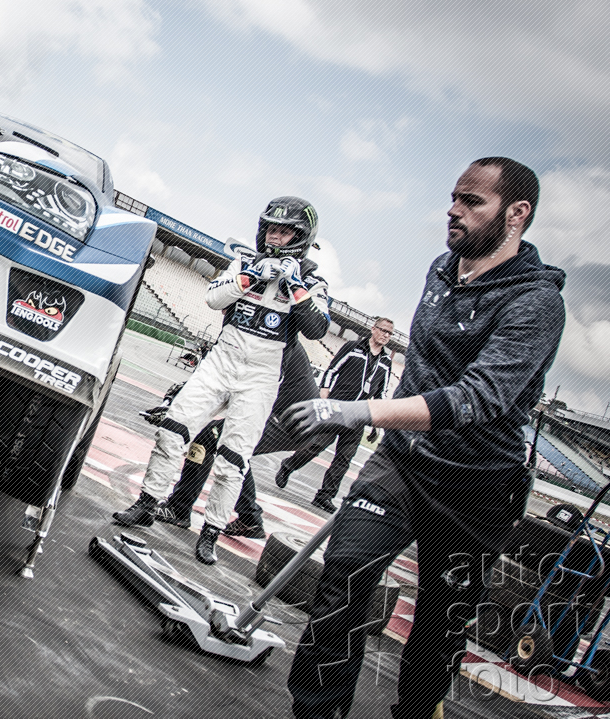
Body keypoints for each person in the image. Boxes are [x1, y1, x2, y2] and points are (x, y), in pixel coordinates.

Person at [283, 158, 565, 719]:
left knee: (440, 624)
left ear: (516, 214)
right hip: (401, 464)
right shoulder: (441, 269)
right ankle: (316, 710)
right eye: (453, 197)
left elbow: (476, 399)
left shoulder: (537, 304)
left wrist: (356, 411)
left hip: (477, 485)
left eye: (471, 201)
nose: (453, 210)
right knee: (343, 576)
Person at [113, 197, 330, 565]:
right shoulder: (245, 261)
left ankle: (211, 531)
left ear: (301, 237)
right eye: (271, 229)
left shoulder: (312, 278)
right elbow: (214, 298)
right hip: (222, 359)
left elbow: (317, 327)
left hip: (261, 375)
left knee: (234, 457)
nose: (274, 237)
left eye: (284, 232)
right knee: (174, 427)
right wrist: (252, 276)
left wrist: (295, 285)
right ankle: (147, 503)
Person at [149, 339, 321, 540]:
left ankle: (179, 508)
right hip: (299, 419)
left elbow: (231, 383)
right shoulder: (271, 336)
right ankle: (249, 517)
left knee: (209, 439)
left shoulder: (265, 340)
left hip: (290, 418)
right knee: (234, 451)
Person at [275, 318, 396, 512]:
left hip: (360, 415)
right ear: (373, 329)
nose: (386, 335)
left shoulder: (386, 362)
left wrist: (377, 422)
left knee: (344, 458)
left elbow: (381, 393)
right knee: (316, 445)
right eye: (383, 330)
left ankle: (325, 496)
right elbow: (332, 370)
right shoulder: (353, 347)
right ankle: (288, 466)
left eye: (389, 333)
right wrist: (324, 394)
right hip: (338, 408)